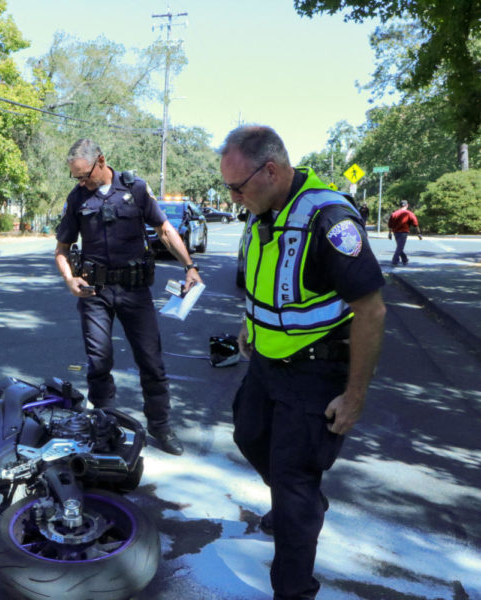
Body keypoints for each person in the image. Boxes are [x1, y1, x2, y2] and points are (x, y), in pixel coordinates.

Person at [219, 125, 386, 600]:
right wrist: (248, 324)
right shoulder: (260, 210)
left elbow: (371, 310)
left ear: (270, 170)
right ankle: (305, 502)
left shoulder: (329, 219)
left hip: (315, 371)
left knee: (292, 490)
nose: (233, 198)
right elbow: (261, 282)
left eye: (237, 187)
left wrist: (354, 397)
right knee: (248, 434)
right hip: (267, 365)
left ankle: (293, 589)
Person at [55, 139, 203, 456]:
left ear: (101, 161)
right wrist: (70, 279)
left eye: (84, 175)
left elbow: (164, 229)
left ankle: (160, 426)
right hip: (94, 292)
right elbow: (62, 250)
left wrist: (189, 266)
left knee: (151, 361)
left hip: (135, 291)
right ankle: (104, 427)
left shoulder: (135, 188)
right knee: (98, 363)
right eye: (76, 177)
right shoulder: (77, 197)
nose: (81, 181)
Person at [387, 199, 422, 266]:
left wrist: (389, 233)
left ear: (400, 205)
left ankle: (404, 259)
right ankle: (395, 261)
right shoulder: (409, 213)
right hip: (403, 232)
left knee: (399, 247)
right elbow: (415, 224)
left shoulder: (394, 214)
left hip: (396, 232)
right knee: (400, 247)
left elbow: (390, 224)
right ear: (407, 205)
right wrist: (419, 233)